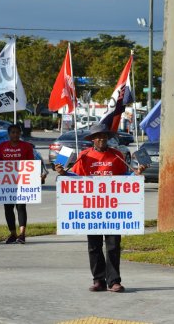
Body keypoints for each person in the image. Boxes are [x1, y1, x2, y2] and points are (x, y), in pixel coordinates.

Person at [55, 124, 146, 293]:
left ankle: (114, 281)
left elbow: (125, 178)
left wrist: (136, 174)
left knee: (113, 245)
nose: (102, 139)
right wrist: (63, 173)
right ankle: (98, 280)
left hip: (113, 208)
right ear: (92, 140)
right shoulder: (84, 156)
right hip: (91, 208)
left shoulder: (117, 155)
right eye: (98, 136)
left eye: (104, 136)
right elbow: (76, 177)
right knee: (94, 246)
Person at [0, 124, 34, 244]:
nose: (15, 135)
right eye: (13, 132)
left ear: (20, 133)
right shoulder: (2, 146)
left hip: (22, 181)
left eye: (17, 132)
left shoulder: (26, 146)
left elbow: (31, 164)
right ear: (9, 134)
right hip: (7, 182)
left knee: (21, 207)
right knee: (8, 208)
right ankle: (13, 233)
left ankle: (22, 234)